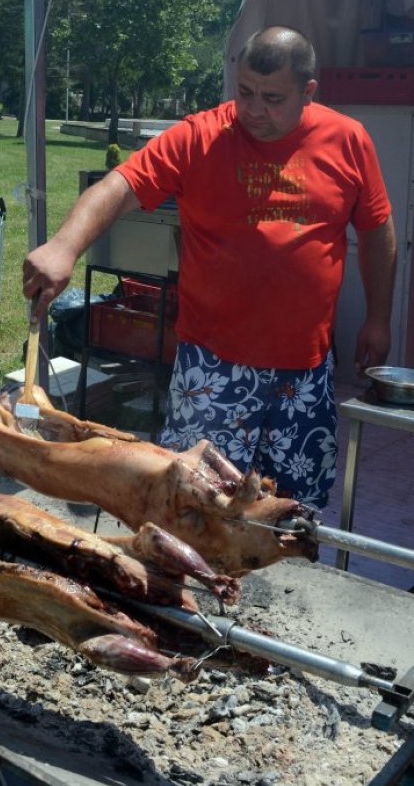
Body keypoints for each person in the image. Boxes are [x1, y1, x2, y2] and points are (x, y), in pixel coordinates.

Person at [22, 25, 396, 509]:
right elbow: (120, 185)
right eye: (244, 92)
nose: (253, 110)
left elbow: (376, 229)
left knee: (295, 509)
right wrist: (63, 246)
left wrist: (379, 318)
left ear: (308, 93)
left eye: (271, 97)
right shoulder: (202, 135)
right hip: (214, 366)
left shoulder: (348, 140)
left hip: (305, 369)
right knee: (197, 503)